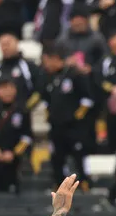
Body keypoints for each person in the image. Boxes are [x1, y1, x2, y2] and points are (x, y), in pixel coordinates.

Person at [40, 42, 94, 191]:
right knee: (57, 157)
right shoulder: (47, 77)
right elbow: (45, 100)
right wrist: (50, 115)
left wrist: (74, 117)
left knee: (78, 156)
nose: (45, 65)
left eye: (47, 60)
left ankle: (84, 183)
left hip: (74, 127)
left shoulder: (74, 74)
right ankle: (58, 185)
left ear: (55, 58)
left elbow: (87, 100)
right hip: (56, 126)